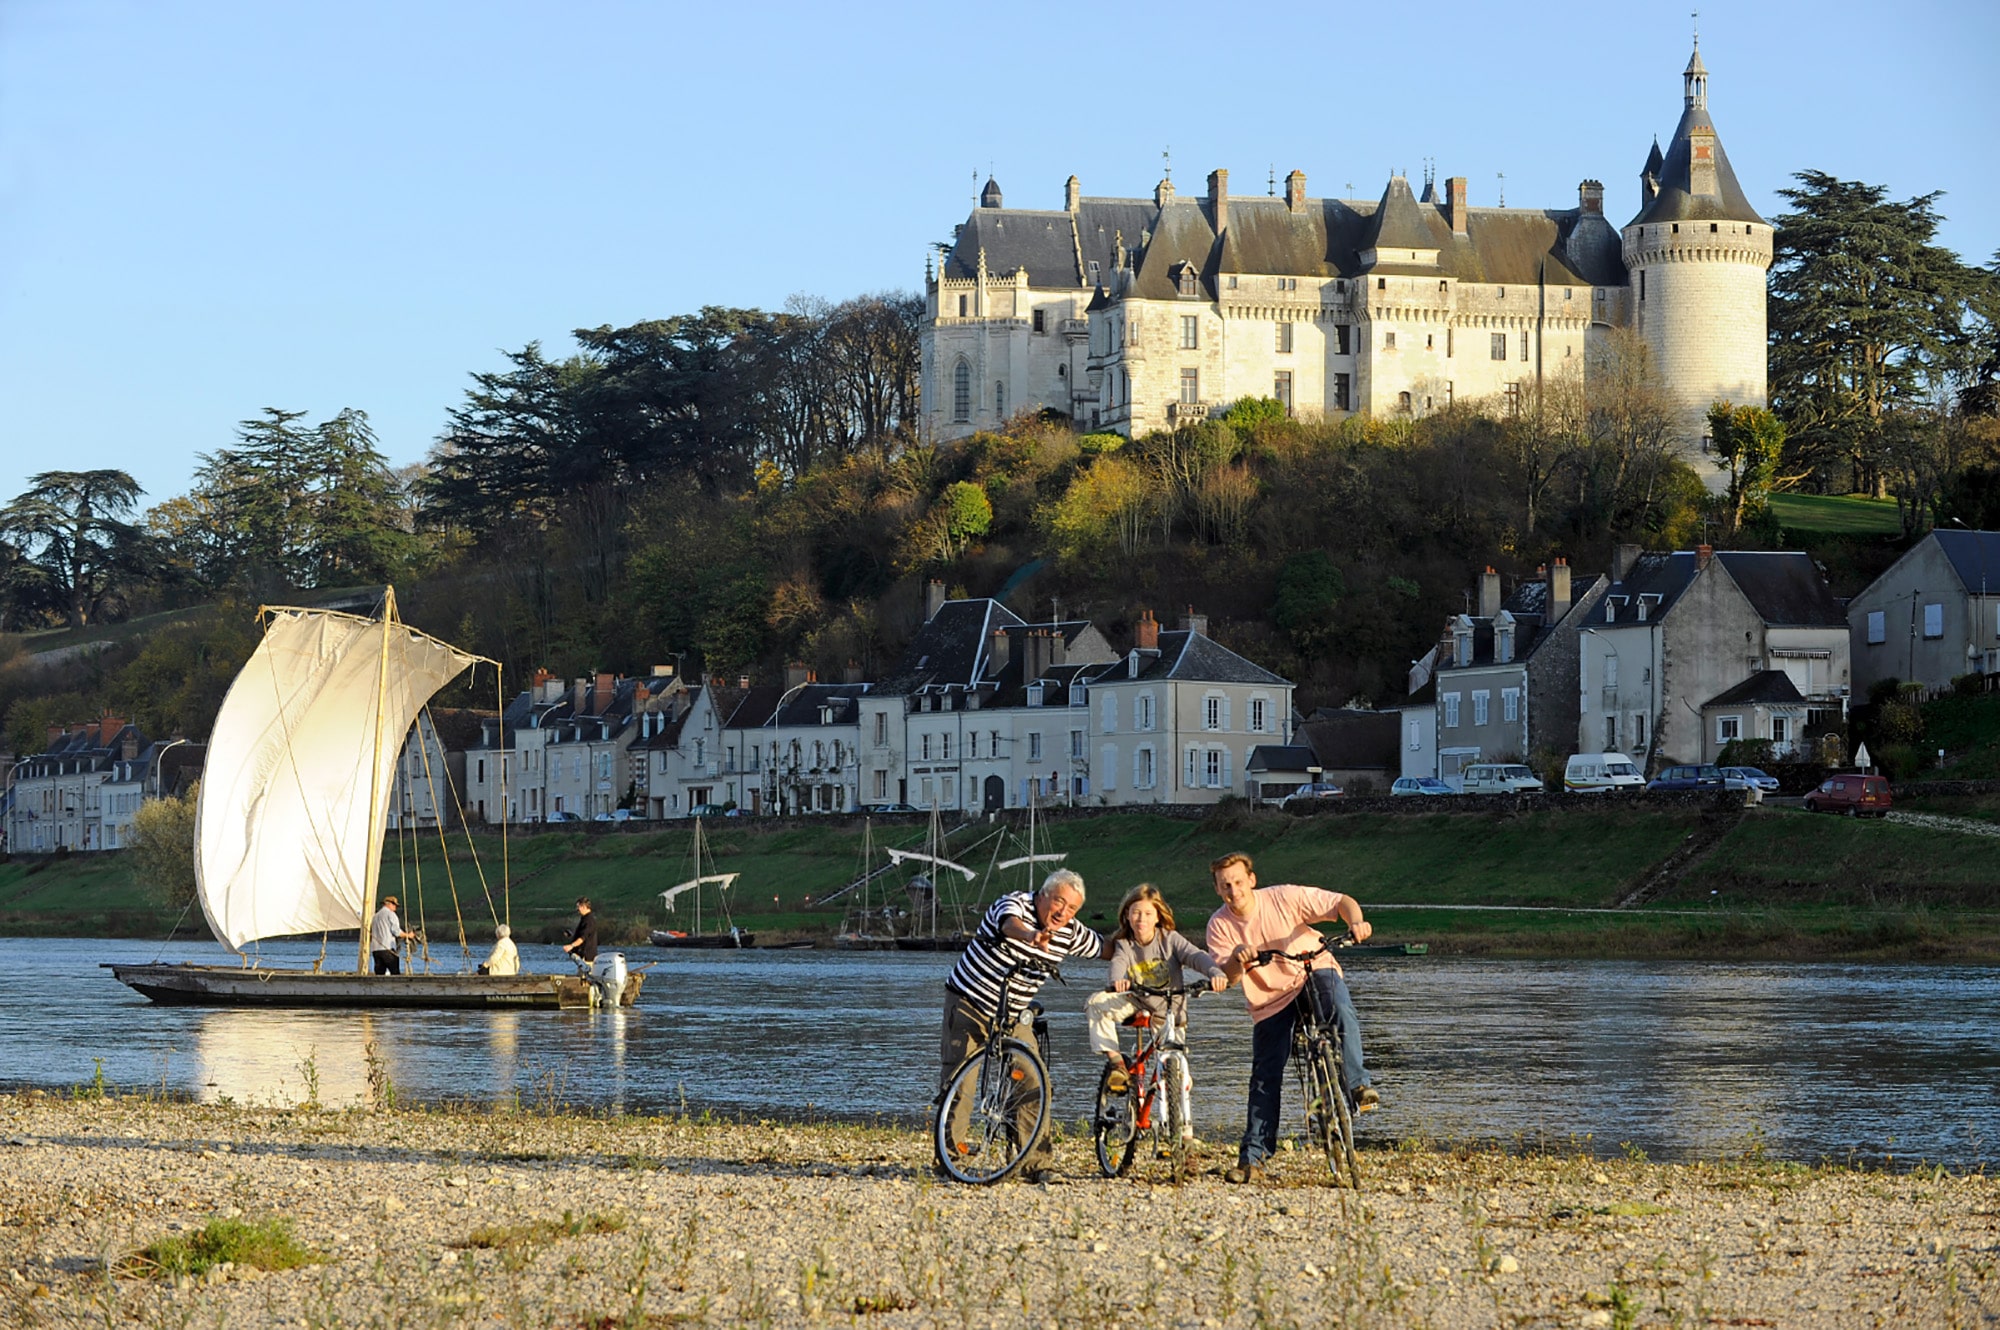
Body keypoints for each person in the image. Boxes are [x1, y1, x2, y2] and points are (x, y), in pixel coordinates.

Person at [1204, 851, 1380, 1184]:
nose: (1233, 890)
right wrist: (1237, 960)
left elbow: (1341, 901)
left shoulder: (1283, 897)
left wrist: (1355, 922)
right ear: (1217, 889)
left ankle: (1358, 1085)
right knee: (1265, 1073)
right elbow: (1228, 978)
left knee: (1340, 1009)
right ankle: (1253, 1158)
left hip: (1312, 969)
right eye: (1225, 885)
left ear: (1251, 880)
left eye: (1238, 882)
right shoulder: (1219, 925)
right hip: (1269, 999)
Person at [939, 868, 1109, 1183]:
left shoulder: (1070, 931)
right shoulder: (1014, 903)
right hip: (969, 1002)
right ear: (1043, 895)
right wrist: (1031, 936)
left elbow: (1106, 948)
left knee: (1033, 1079)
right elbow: (1008, 925)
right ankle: (952, 1159)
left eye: (1072, 908)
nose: (1063, 912)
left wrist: (1148, 941)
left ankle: (1037, 1163)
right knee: (960, 1083)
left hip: (1014, 1013)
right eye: (1059, 902)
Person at [1084, 883, 1227, 1143]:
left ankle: (1184, 1135)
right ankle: (1117, 1063)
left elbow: (1195, 956)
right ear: (1127, 915)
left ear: (1158, 916)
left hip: (1170, 1011)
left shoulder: (1170, 939)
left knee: (1178, 1075)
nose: (1142, 919)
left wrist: (1215, 973)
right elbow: (1118, 964)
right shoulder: (1125, 945)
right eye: (1136, 913)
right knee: (1095, 1003)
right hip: (1136, 1002)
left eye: (1148, 913)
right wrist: (1118, 981)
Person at [369, 896, 413, 975]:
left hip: (376, 949)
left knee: (379, 974)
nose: (395, 907)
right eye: (394, 905)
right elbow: (396, 932)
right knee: (395, 973)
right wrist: (408, 935)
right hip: (387, 948)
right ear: (388, 904)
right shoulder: (391, 914)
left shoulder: (375, 916)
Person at [561, 898, 599, 969]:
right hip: (583, 956)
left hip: (587, 957)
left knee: (585, 978)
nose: (577, 909)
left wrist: (571, 946)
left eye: (578, 907)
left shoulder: (589, 921)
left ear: (584, 907)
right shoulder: (584, 919)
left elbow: (583, 937)